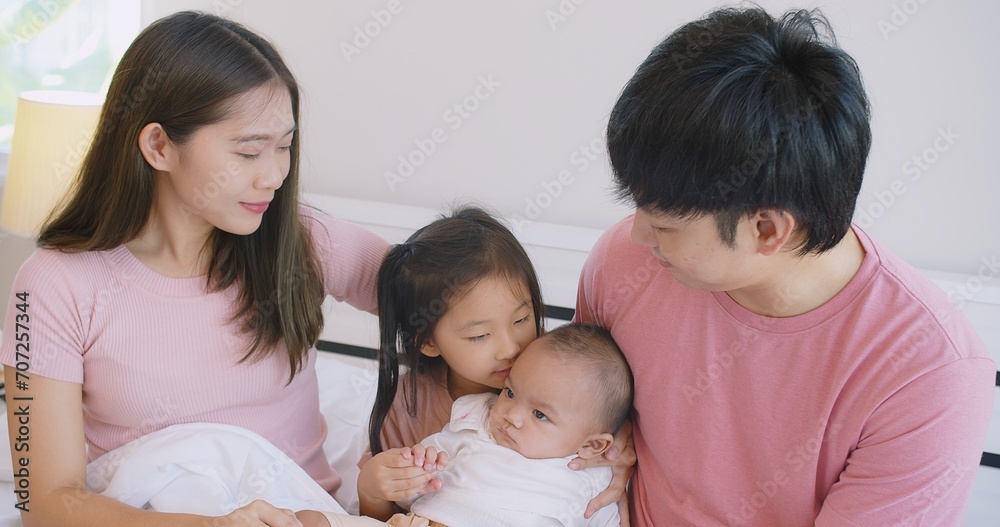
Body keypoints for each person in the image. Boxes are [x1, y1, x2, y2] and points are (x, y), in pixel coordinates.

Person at [575, 5, 996, 526]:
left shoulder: (929, 375)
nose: (638, 234)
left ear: (769, 229)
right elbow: (573, 416)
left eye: (665, 225)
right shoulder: (623, 263)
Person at [0, 11, 389, 527]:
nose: (274, 175)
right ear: (158, 146)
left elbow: (458, 309)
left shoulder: (303, 242)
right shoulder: (50, 286)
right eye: (249, 150)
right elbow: (44, 504)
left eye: (285, 145)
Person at [356, 207, 634, 521]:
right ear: (428, 341)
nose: (509, 348)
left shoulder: (576, 377)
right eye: (480, 335)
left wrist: (621, 440)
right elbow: (382, 517)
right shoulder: (407, 406)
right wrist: (370, 490)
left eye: (522, 318)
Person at [299, 322, 632, 527]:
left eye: (540, 415)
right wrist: (414, 470)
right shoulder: (476, 421)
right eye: (511, 392)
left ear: (592, 445)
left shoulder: (594, 479)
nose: (511, 416)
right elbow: (422, 467)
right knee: (305, 520)